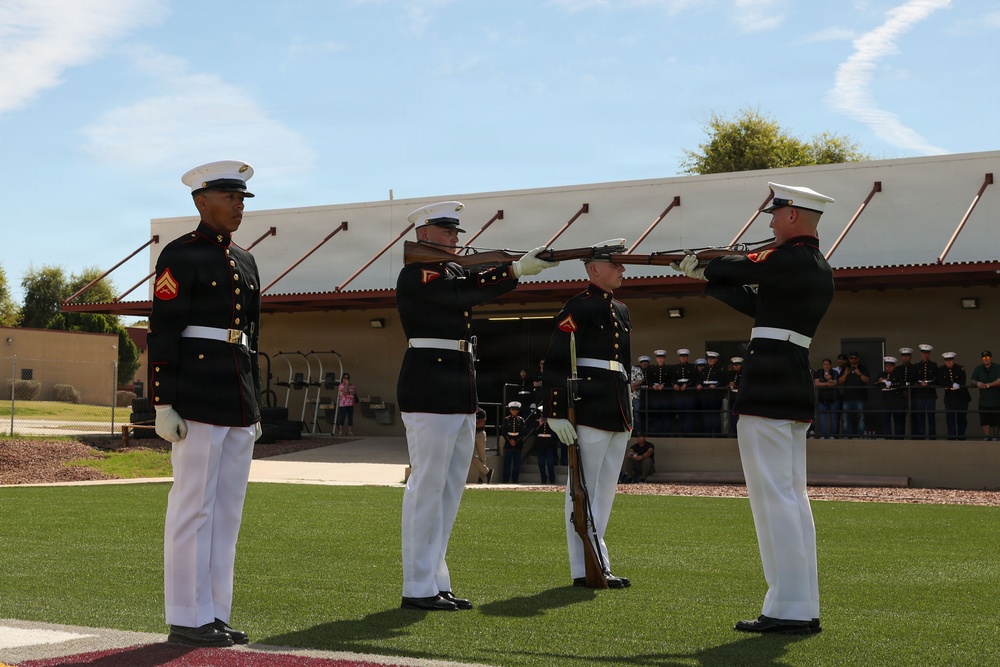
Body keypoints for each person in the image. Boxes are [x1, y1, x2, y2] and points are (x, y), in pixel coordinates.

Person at [672, 181, 834, 634]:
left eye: (775, 214)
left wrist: (708, 264)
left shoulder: (790, 258)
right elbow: (757, 302)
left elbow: (741, 265)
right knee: (790, 499)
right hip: (791, 381)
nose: (769, 222)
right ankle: (797, 603)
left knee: (772, 500)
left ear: (793, 217)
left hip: (769, 383)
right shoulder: (814, 265)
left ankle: (788, 608)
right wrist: (707, 275)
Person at [395, 200, 558, 611]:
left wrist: (514, 266)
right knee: (427, 488)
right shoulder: (418, 273)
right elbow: (462, 292)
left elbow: (471, 281)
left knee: (450, 490)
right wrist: (516, 271)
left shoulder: (447, 270)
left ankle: (436, 578)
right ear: (424, 234)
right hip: (430, 387)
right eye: (447, 231)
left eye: (455, 233)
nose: (454, 238)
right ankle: (417, 585)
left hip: (456, 387)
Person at [148, 160, 262, 647]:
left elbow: (251, 336)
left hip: (237, 395)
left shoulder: (246, 259)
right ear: (201, 201)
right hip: (196, 392)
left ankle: (214, 611)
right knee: (193, 506)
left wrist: (254, 405)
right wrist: (162, 401)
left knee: (228, 510)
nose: (239, 205)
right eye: (229, 197)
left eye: (242, 198)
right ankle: (186, 615)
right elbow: (165, 330)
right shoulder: (180, 255)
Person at [543, 241, 633, 589]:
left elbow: (623, 362)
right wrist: (555, 412)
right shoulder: (577, 306)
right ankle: (585, 568)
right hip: (590, 406)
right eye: (616, 265)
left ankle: (599, 562)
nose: (622, 271)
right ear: (594, 269)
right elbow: (555, 359)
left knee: (604, 492)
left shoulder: (622, 310)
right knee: (582, 491)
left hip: (617, 407)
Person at [938, 352, 971, 440]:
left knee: (961, 419)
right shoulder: (942, 369)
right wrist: (951, 385)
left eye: (950, 360)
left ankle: (961, 437)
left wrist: (957, 384)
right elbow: (940, 381)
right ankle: (951, 438)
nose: (948, 362)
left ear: (953, 360)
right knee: (950, 419)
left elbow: (963, 380)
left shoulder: (959, 368)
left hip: (961, 397)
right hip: (950, 398)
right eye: (947, 361)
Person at [669, 348, 701, 435]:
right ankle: (681, 432)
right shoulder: (675, 367)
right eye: (681, 357)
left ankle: (688, 433)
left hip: (689, 394)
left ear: (687, 357)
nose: (683, 358)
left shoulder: (692, 367)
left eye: (685, 357)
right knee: (680, 415)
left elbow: (694, 378)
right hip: (679, 394)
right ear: (679, 357)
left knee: (689, 415)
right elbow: (672, 378)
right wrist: (674, 384)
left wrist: (686, 385)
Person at [837, 352, 869, 438]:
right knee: (846, 418)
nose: (853, 360)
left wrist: (859, 374)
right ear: (849, 359)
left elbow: (867, 381)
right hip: (847, 398)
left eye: (855, 358)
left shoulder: (862, 368)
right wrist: (845, 374)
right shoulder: (845, 369)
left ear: (858, 359)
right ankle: (847, 436)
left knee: (861, 417)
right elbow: (839, 382)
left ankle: (861, 435)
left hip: (860, 397)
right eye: (851, 358)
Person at [912, 343, 939, 439]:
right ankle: (921, 436)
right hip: (920, 394)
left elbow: (937, 379)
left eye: (927, 353)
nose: (925, 355)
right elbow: (913, 379)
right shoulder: (916, 366)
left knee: (931, 416)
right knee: (920, 416)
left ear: (929, 354)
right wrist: (919, 384)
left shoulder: (933, 365)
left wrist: (929, 384)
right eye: (923, 353)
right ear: (921, 353)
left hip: (930, 393)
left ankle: (932, 436)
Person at [971, 351, 1000, 440]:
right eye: (984, 358)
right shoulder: (978, 369)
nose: (986, 360)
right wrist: (977, 383)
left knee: (997, 420)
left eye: (987, 358)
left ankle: (995, 436)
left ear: (991, 358)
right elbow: (972, 381)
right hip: (983, 400)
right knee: (984, 419)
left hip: (996, 399)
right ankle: (986, 436)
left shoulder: (997, 367)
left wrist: (987, 385)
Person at [875, 357, 905, 439]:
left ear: (894, 366)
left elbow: (901, 383)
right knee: (885, 421)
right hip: (886, 400)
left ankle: (899, 439)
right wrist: (880, 381)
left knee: (898, 422)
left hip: (896, 400)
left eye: (890, 366)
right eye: (887, 366)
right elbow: (874, 383)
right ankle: (888, 438)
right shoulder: (882, 374)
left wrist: (890, 383)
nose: (888, 368)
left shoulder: (898, 373)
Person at [890, 348, 916, 438]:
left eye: (907, 356)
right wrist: (903, 390)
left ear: (910, 357)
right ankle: (899, 438)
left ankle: (915, 438)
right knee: (899, 419)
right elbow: (896, 381)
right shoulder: (897, 369)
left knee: (914, 418)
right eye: (903, 356)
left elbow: (914, 381)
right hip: (900, 397)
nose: (905, 358)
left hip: (912, 395)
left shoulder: (914, 368)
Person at [700, 351, 726, 435]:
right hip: (705, 395)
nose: (710, 360)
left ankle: (717, 433)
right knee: (706, 415)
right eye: (709, 359)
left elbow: (722, 381)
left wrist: (716, 385)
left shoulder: (719, 370)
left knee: (715, 415)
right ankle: (707, 433)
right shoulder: (704, 370)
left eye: (712, 359)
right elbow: (700, 380)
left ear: (716, 360)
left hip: (715, 396)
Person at [646, 349, 671, 435]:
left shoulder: (668, 368)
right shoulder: (652, 369)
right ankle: (658, 432)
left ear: (664, 359)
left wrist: (663, 385)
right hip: (655, 394)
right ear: (656, 359)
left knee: (666, 414)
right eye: (659, 358)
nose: (660, 359)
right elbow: (648, 380)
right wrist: (653, 385)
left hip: (665, 395)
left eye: (662, 358)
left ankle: (667, 432)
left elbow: (670, 380)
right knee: (657, 414)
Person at [813, 358, 839, 438]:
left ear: (830, 365)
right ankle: (823, 435)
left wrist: (829, 379)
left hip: (833, 398)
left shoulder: (834, 372)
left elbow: (834, 383)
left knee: (834, 418)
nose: (826, 366)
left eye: (828, 364)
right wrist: (827, 383)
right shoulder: (819, 372)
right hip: (822, 398)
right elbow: (816, 383)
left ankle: (833, 435)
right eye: (824, 364)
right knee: (822, 418)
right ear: (822, 365)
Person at [501, 401, 526, 483]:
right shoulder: (506, 419)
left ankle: (515, 479)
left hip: (518, 444)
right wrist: (510, 440)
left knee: (517, 463)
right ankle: (505, 479)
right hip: (508, 443)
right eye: (513, 409)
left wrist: (516, 440)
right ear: (510, 410)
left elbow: (522, 432)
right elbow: (504, 432)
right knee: (507, 463)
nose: (515, 411)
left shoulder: (521, 420)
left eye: (516, 410)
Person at [471, 408, 493, 484]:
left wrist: (471, 424)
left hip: (480, 433)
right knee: (471, 455)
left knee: (482, 456)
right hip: (471, 433)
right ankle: (487, 472)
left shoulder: (481, 412)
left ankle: (481, 478)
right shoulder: (469, 411)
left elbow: (481, 423)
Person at [534, 416, 558, 483]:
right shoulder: (537, 421)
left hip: (549, 444)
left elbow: (554, 432)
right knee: (541, 462)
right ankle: (543, 478)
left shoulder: (551, 422)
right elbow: (534, 432)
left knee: (550, 462)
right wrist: (540, 424)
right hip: (540, 445)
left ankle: (552, 478)